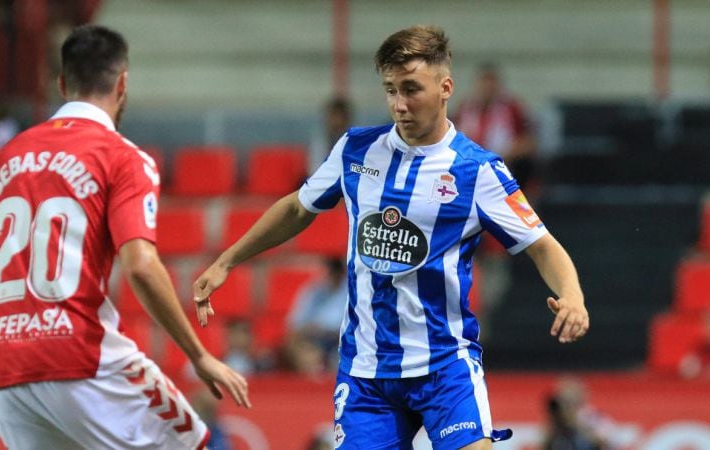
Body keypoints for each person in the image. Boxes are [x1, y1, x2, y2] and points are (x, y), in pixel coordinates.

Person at [194, 25, 588, 450]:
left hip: (444, 367)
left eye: (411, 89)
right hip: (368, 374)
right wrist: (226, 261)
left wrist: (572, 295)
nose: (399, 104)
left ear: (445, 88)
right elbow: (295, 208)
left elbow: (541, 245)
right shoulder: (355, 150)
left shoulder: (479, 171)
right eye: (390, 90)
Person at [0, 25, 249, 449]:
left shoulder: (4, 159)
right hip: (79, 358)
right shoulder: (123, 157)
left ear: (62, 83)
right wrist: (199, 356)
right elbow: (140, 264)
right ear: (123, 83)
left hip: (3, 369)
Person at [452, 62, 537, 190]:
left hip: (503, 165)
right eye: (484, 83)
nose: (488, 88)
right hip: (468, 167)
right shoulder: (465, 108)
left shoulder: (512, 109)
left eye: (492, 84)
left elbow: (529, 143)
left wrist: (504, 155)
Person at [286, 256, 348, 358]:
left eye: (332, 273)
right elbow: (295, 324)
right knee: (297, 345)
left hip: (340, 340)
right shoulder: (313, 291)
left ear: (340, 274)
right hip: (314, 338)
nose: (328, 276)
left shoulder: (350, 292)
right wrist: (313, 329)